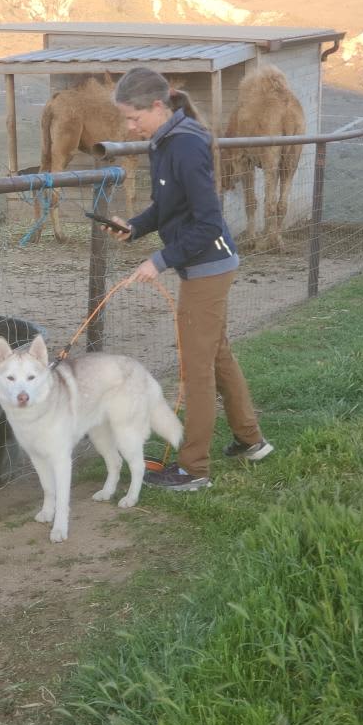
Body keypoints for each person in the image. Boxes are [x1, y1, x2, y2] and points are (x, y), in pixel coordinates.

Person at [105, 66, 273, 492]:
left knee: (195, 371)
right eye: (126, 119)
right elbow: (167, 206)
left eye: (133, 116)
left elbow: (209, 223)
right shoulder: (163, 142)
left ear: (158, 106)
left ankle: (194, 469)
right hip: (200, 265)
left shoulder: (185, 146)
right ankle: (251, 442)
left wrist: (158, 261)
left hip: (208, 268)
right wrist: (136, 227)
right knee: (217, 356)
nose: (130, 126)